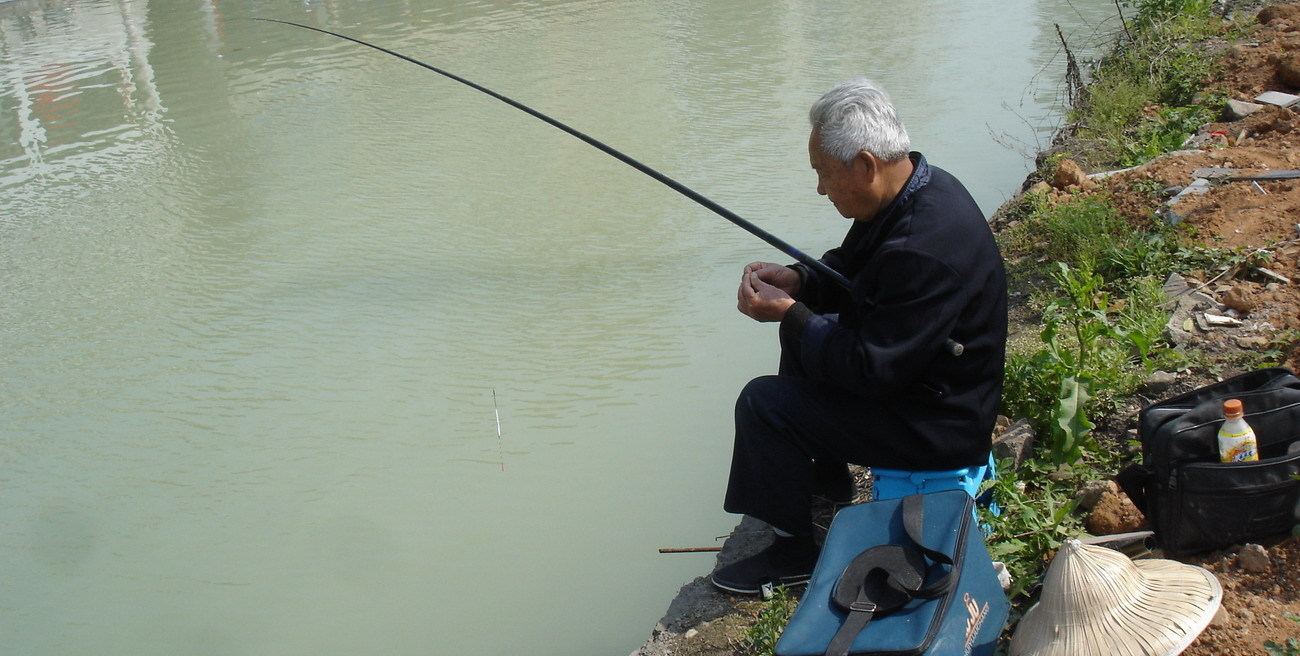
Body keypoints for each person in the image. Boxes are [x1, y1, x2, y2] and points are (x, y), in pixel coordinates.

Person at [710, 77, 1007, 595]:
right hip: (922, 380)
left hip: (938, 425)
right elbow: (854, 272)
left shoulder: (922, 248)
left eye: (823, 173)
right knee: (803, 331)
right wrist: (801, 282)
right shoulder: (919, 188)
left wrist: (791, 315)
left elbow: (868, 368)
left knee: (763, 403)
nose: (820, 188)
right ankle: (826, 482)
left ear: (866, 164)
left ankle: (794, 551)